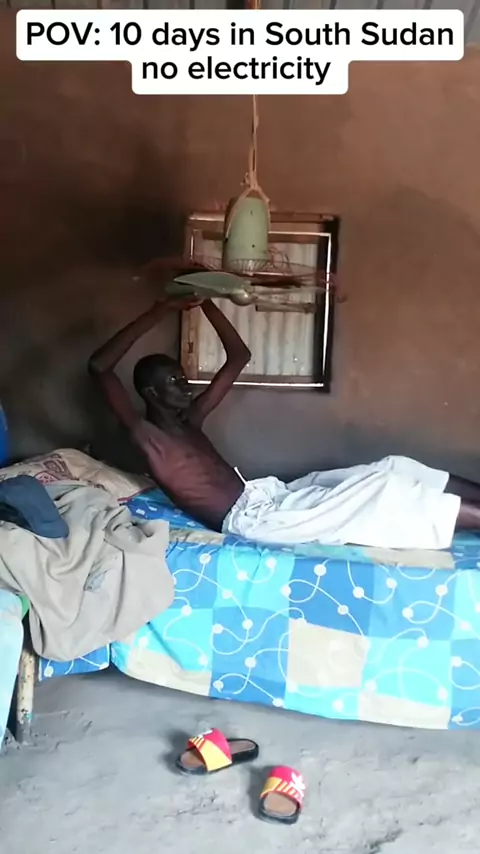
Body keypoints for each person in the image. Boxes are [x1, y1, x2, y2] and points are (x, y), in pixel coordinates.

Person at [89, 297, 480, 551]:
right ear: (151, 393)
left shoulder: (190, 421)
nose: (186, 384)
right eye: (174, 381)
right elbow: (99, 366)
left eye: (183, 376)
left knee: (394, 466)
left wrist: (204, 301)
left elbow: (238, 355)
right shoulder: (148, 437)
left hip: (271, 496)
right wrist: (160, 309)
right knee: (381, 490)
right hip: (255, 520)